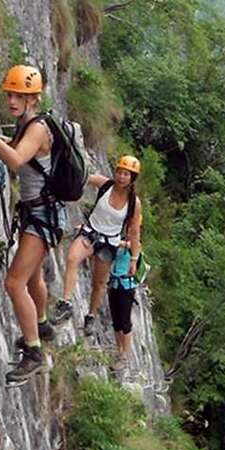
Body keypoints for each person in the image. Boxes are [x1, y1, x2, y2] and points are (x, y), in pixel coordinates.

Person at [0, 65, 67, 387]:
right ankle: (41, 325)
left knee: (14, 283)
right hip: (38, 213)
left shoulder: (37, 128)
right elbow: (15, 159)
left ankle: (34, 353)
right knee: (34, 276)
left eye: (19, 96)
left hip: (42, 217)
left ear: (33, 99)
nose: (12, 100)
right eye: (9, 94)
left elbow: (15, 160)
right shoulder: (27, 123)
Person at [51, 156, 142, 334]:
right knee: (72, 258)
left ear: (132, 178)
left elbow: (134, 231)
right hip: (91, 233)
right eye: (120, 172)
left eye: (126, 174)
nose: (121, 177)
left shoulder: (134, 203)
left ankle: (91, 315)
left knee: (99, 283)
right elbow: (84, 176)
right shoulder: (105, 184)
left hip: (110, 242)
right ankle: (66, 302)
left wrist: (133, 258)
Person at [107, 221, 142, 370]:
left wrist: (114, 241)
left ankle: (124, 356)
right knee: (116, 322)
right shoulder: (121, 245)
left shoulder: (135, 246)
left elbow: (133, 246)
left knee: (125, 322)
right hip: (114, 284)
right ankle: (118, 350)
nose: (128, 232)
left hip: (126, 287)